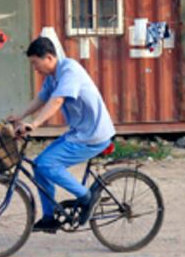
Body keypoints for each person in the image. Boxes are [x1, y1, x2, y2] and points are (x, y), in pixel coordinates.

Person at [7, 37, 116, 233]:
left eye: (35, 63)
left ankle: (86, 197)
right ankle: (49, 217)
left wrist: (34, 124)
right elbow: (42, 98)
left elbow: (56, 101)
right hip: (78, 132)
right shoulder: (53, 77)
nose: (34, 68)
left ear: (49, 57)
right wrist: (20, 116)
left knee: (47, 164)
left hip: (92, 135)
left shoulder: (69, 71)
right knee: (39, 166)